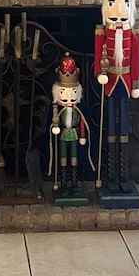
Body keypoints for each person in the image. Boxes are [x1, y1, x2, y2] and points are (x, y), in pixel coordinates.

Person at [94, 0, 139, 187]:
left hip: (125, 82)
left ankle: (123, 173)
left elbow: (136, 61)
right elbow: (97, 55)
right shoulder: (102, 32)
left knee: (124, 126)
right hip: (110, 80)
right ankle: (110, 173)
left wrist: (136, 85)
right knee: (110, 127)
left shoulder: (134, 34)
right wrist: (98, 72)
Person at [49, 53, 92, 197]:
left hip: (74, 135)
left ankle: (74, 183)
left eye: (73, 92)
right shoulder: (57, 110)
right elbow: (54, 121)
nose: (69, 97)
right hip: (62, 135)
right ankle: (63, 183)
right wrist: (55, 127)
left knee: (74, 158)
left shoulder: (78, 109)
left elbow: (82, 122)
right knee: (62, 159)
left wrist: (83, 135)